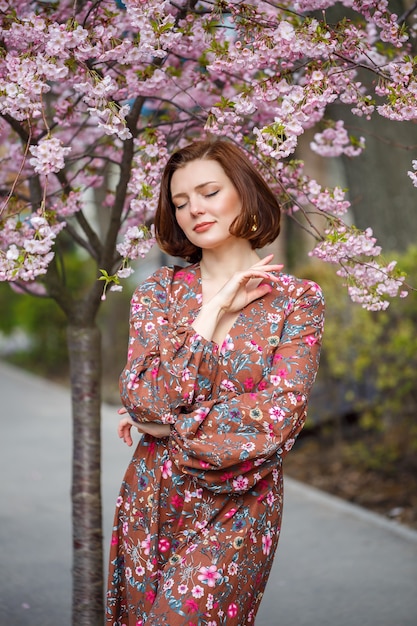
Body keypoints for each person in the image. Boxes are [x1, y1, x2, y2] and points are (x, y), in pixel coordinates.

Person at [106, 139, 325, 625]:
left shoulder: (297, 301)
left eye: (208, 192)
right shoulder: (158, 293)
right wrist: (212, 311)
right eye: (180, 203)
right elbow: (143, 399)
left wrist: (168, 425)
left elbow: (276, 418)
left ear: (243, 192)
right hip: (154, 496)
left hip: (241, 505)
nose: (193, 211)